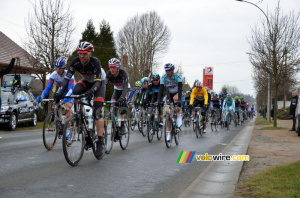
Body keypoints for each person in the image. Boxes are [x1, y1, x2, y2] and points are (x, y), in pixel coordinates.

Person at [55, 41, 106, 158]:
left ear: (90, 54)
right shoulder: (75, 61)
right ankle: (80, 114)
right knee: (76, 91)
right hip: (86, 82)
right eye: (80, 53)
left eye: (84, 54)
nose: (81, 56)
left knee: (97, 112)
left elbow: (98, 82)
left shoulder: (95, 62)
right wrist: (60, 92)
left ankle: (100, 141)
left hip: (99, 84)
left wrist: (92, 91)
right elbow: (66, 79)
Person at [36, 58, 75, 123]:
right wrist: (42, 96)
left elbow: (70, 90)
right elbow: (48, 88)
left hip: (70, 91)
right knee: (56, 108)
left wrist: (63, 101)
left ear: (63, 68)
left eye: (60, 68)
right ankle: (58, 126)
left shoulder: (69, 74)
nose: (58, 70)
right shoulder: (54, 75)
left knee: (67, 108)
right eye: (56, 68)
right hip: (61, 91)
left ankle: (68, 129)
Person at [157, 63, 183, 142]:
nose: (167, 72)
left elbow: (180, 88)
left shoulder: (177, 77)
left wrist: (179, 100)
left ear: (172, 70)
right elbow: (161, 90)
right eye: (166, 70)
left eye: (169, 70)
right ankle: (169, 133)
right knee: (167, 112)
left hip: (177, 92)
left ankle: (179, 117)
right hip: (169, 94)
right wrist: (159, 101)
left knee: (176, 100)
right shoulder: (163, 77)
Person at [105, 58, 130, 135]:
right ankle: (114, 122)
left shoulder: (123, 73)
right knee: (112, 103)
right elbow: (104, 85)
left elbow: (125, 87)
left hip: (125, 90)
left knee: (122, 104)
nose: (112, 69)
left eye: (114, 67)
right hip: (116, 90)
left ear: (118, 67)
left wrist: (122, 98)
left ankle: (122, 124)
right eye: (110, 67)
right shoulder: (108, 74)